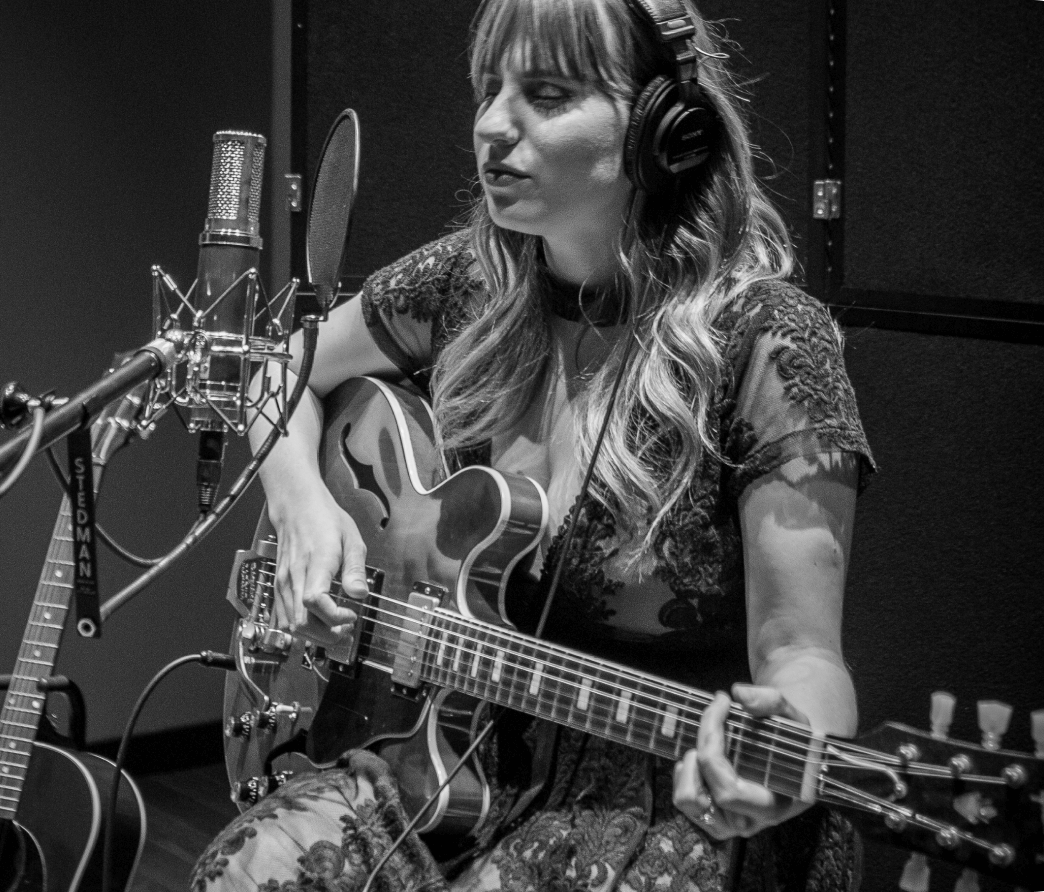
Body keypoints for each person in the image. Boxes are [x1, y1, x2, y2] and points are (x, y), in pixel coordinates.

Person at [193, 0, 874, 889]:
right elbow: (280, 366)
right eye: (488, 90)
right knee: (244, 869)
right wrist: (302, 503)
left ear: (664, 131)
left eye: (545, 94)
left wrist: (779, 754)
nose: (490, 125)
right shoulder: (474, 281)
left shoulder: (767, 341)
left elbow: (805, 658)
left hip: (658, 807)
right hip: (437, 760)